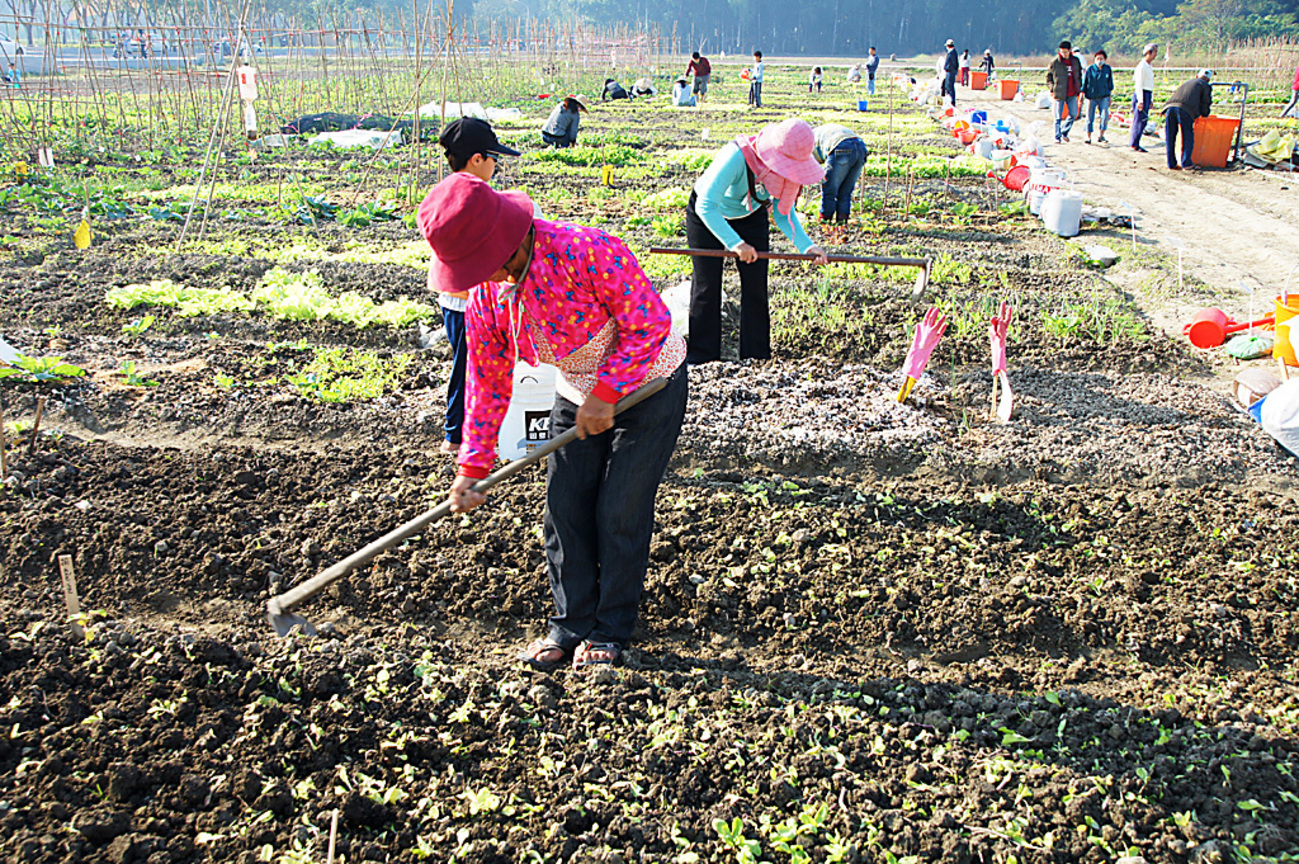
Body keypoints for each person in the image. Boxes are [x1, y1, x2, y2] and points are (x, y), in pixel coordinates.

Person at [420, 173, 688, 673]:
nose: (478, 276)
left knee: (619, 508)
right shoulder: (487, 297)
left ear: (502, 242)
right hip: (575, 392)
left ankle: (610, 627)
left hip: (649, 383)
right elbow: (488, 381)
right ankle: (570, 623)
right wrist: (472, 466)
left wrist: (607, 394)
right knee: (564, 506)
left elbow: (649, 323)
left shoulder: (585, 250)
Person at [686, 118, 829, 363]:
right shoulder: (737, 156)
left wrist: (807, 246)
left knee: (755, 287)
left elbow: (784, 214)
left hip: (751, 214)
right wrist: (736, 243)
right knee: (707, 284)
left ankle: (756, 357)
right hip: (709, 214)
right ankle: (702, 357)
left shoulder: (790, 172)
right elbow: (706, 205)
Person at [428, 118, 524, 455]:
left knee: (473, 365)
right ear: (477, 159)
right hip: (466, 300)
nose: (497, 166)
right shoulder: (471, 198)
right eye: (494, 158)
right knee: (469, 368)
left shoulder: (450, 193)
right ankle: (455, 435)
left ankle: (473, 433)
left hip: (459, 299)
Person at [813, 124, 868, 224]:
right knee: (845, 192)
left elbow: (809, 167)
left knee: (829, 190)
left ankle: (825, 222)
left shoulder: (807, 145)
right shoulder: (817, 134)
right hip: (860, 147)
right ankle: (842, 224)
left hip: (841, 146)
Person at [1164, 69, 1213, 171]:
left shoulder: (1188, 82)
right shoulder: (1205, 85)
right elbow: (1206, 103)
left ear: (1196, 76)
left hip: (1169, 107)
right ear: (1208, 80)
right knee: (1187, 136)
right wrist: (1205, 114)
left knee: (1170, 136)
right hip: (1185, 109)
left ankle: (1171, 163)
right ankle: (1186, 163)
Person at [1046, 40, 1083, 143]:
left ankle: (1064, 131)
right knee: (1058, 116)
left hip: (1072, 92)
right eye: (1062, 52)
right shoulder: (1055, 63)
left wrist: (1079, 87)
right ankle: (1057, 136)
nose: (1064, 54)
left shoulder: (1075, 61)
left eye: (1066, 52)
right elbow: (1049, 77)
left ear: (1070, 51)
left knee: (1073, 114)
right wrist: (1052, 88)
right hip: (1059, 92)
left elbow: (1079, 74)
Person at [1131, 42, 1157, 153]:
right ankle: (1134, 143)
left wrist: (1150, 100)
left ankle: (1136, 142)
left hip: (1147, 94)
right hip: (1141, 94)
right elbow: (1139, 85)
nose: (1155, 55)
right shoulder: (1141, 66)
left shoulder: (1149, 66)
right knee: (1139, 120)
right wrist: (1140, 101)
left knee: (1143, 120)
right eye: (1154, 52)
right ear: (1148, 53)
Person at [1083, 49, 1113, 144]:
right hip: (1091, 97)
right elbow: (1085, 83)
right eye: (1097, 58)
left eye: (1101, 58)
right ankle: (1088, 136)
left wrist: (1110, 97)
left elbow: (1110, 84)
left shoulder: (1107, 69)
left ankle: (1101, 135)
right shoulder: (1090, 69)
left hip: (1104, 96)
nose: (1099, 60)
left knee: (1105, 116)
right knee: (1089, 117)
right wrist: (1081, 96)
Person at [942, 39, 958, 105]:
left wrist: (948, 68)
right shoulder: (951, 52)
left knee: (950, 86)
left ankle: (951, 101)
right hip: (950, 72)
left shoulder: (952, 53)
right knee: (947, 86)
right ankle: (949, 100)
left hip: (951, 72)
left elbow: (954, 64)